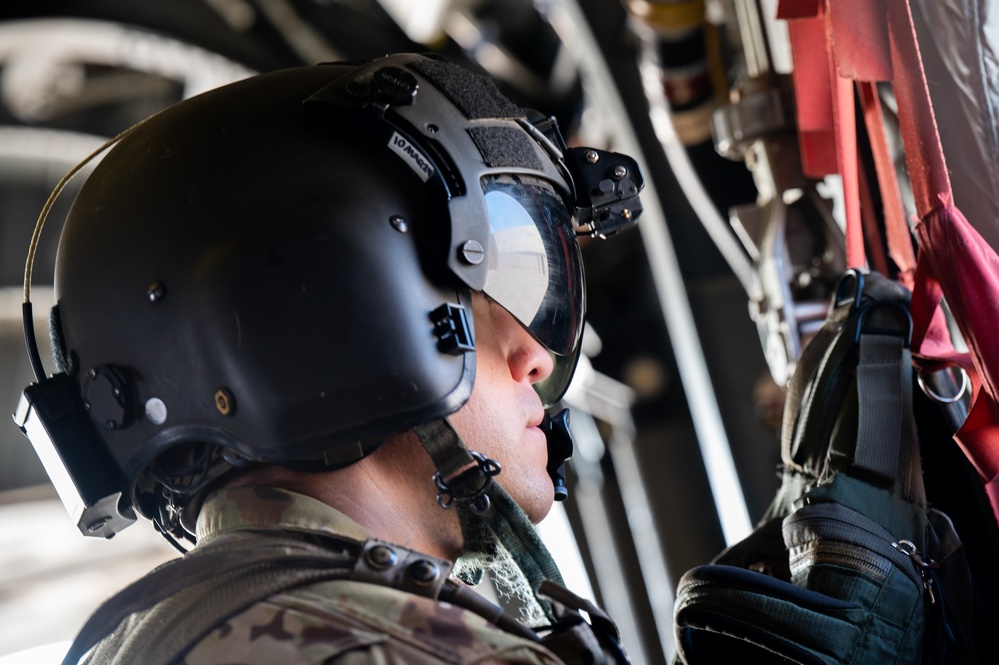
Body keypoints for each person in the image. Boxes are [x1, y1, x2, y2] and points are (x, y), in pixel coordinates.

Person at [13, 53, 644, 664]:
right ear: (346, 316)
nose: (535, 357)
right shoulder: (391, 649)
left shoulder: (150, 640)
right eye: (486, 293)